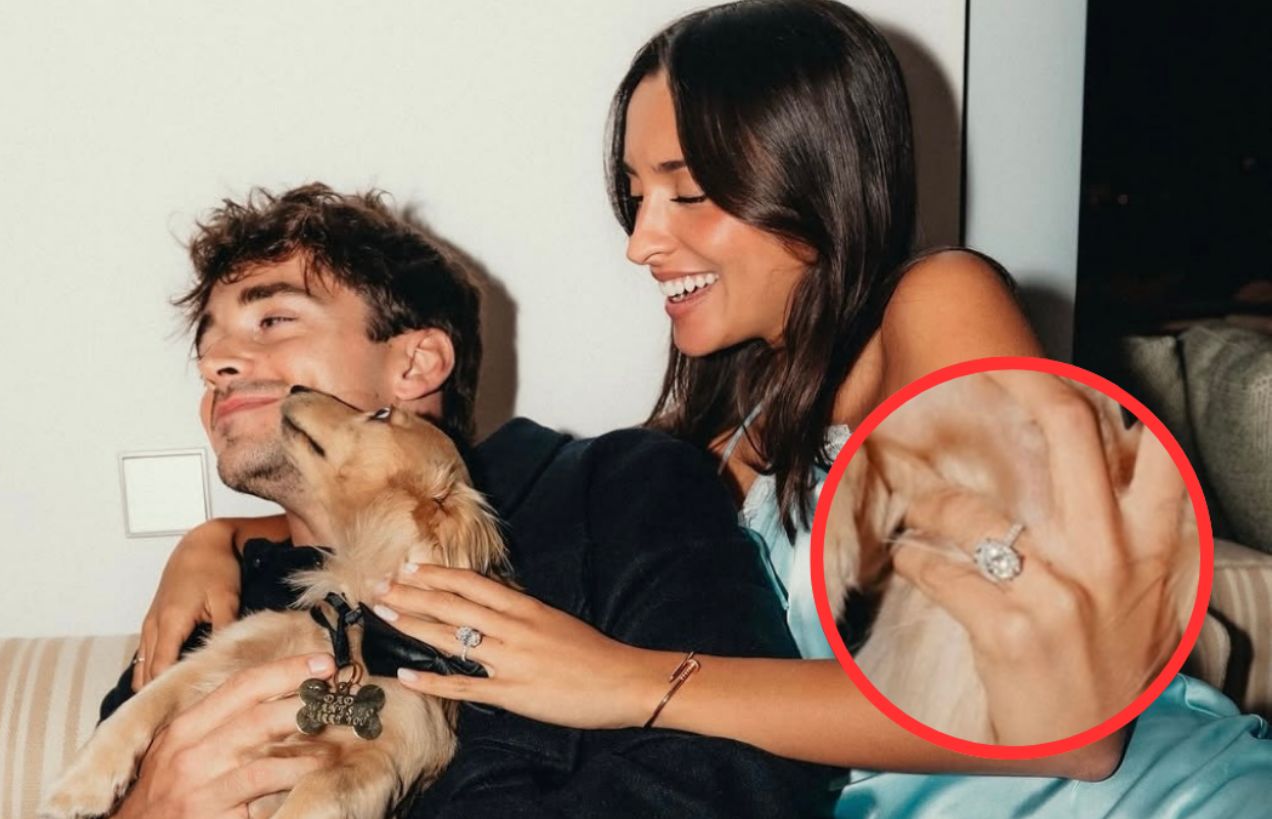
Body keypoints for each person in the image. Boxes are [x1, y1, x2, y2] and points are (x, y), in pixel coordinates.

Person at [141, 1, 1272, 816]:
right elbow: (442, 516)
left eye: (686, 191)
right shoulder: (708, 442)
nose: (642, 240)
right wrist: (222, 537)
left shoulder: (934, 304)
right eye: (636, 196)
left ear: (815, 173)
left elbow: (1069, 729)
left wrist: (632, 683)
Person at [98, 182, 836, 817]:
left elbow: (744, 776)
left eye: (272, 320)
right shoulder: (209, 609)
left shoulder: (618, 491)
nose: (217, 363)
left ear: (417, 362)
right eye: (209, 346)